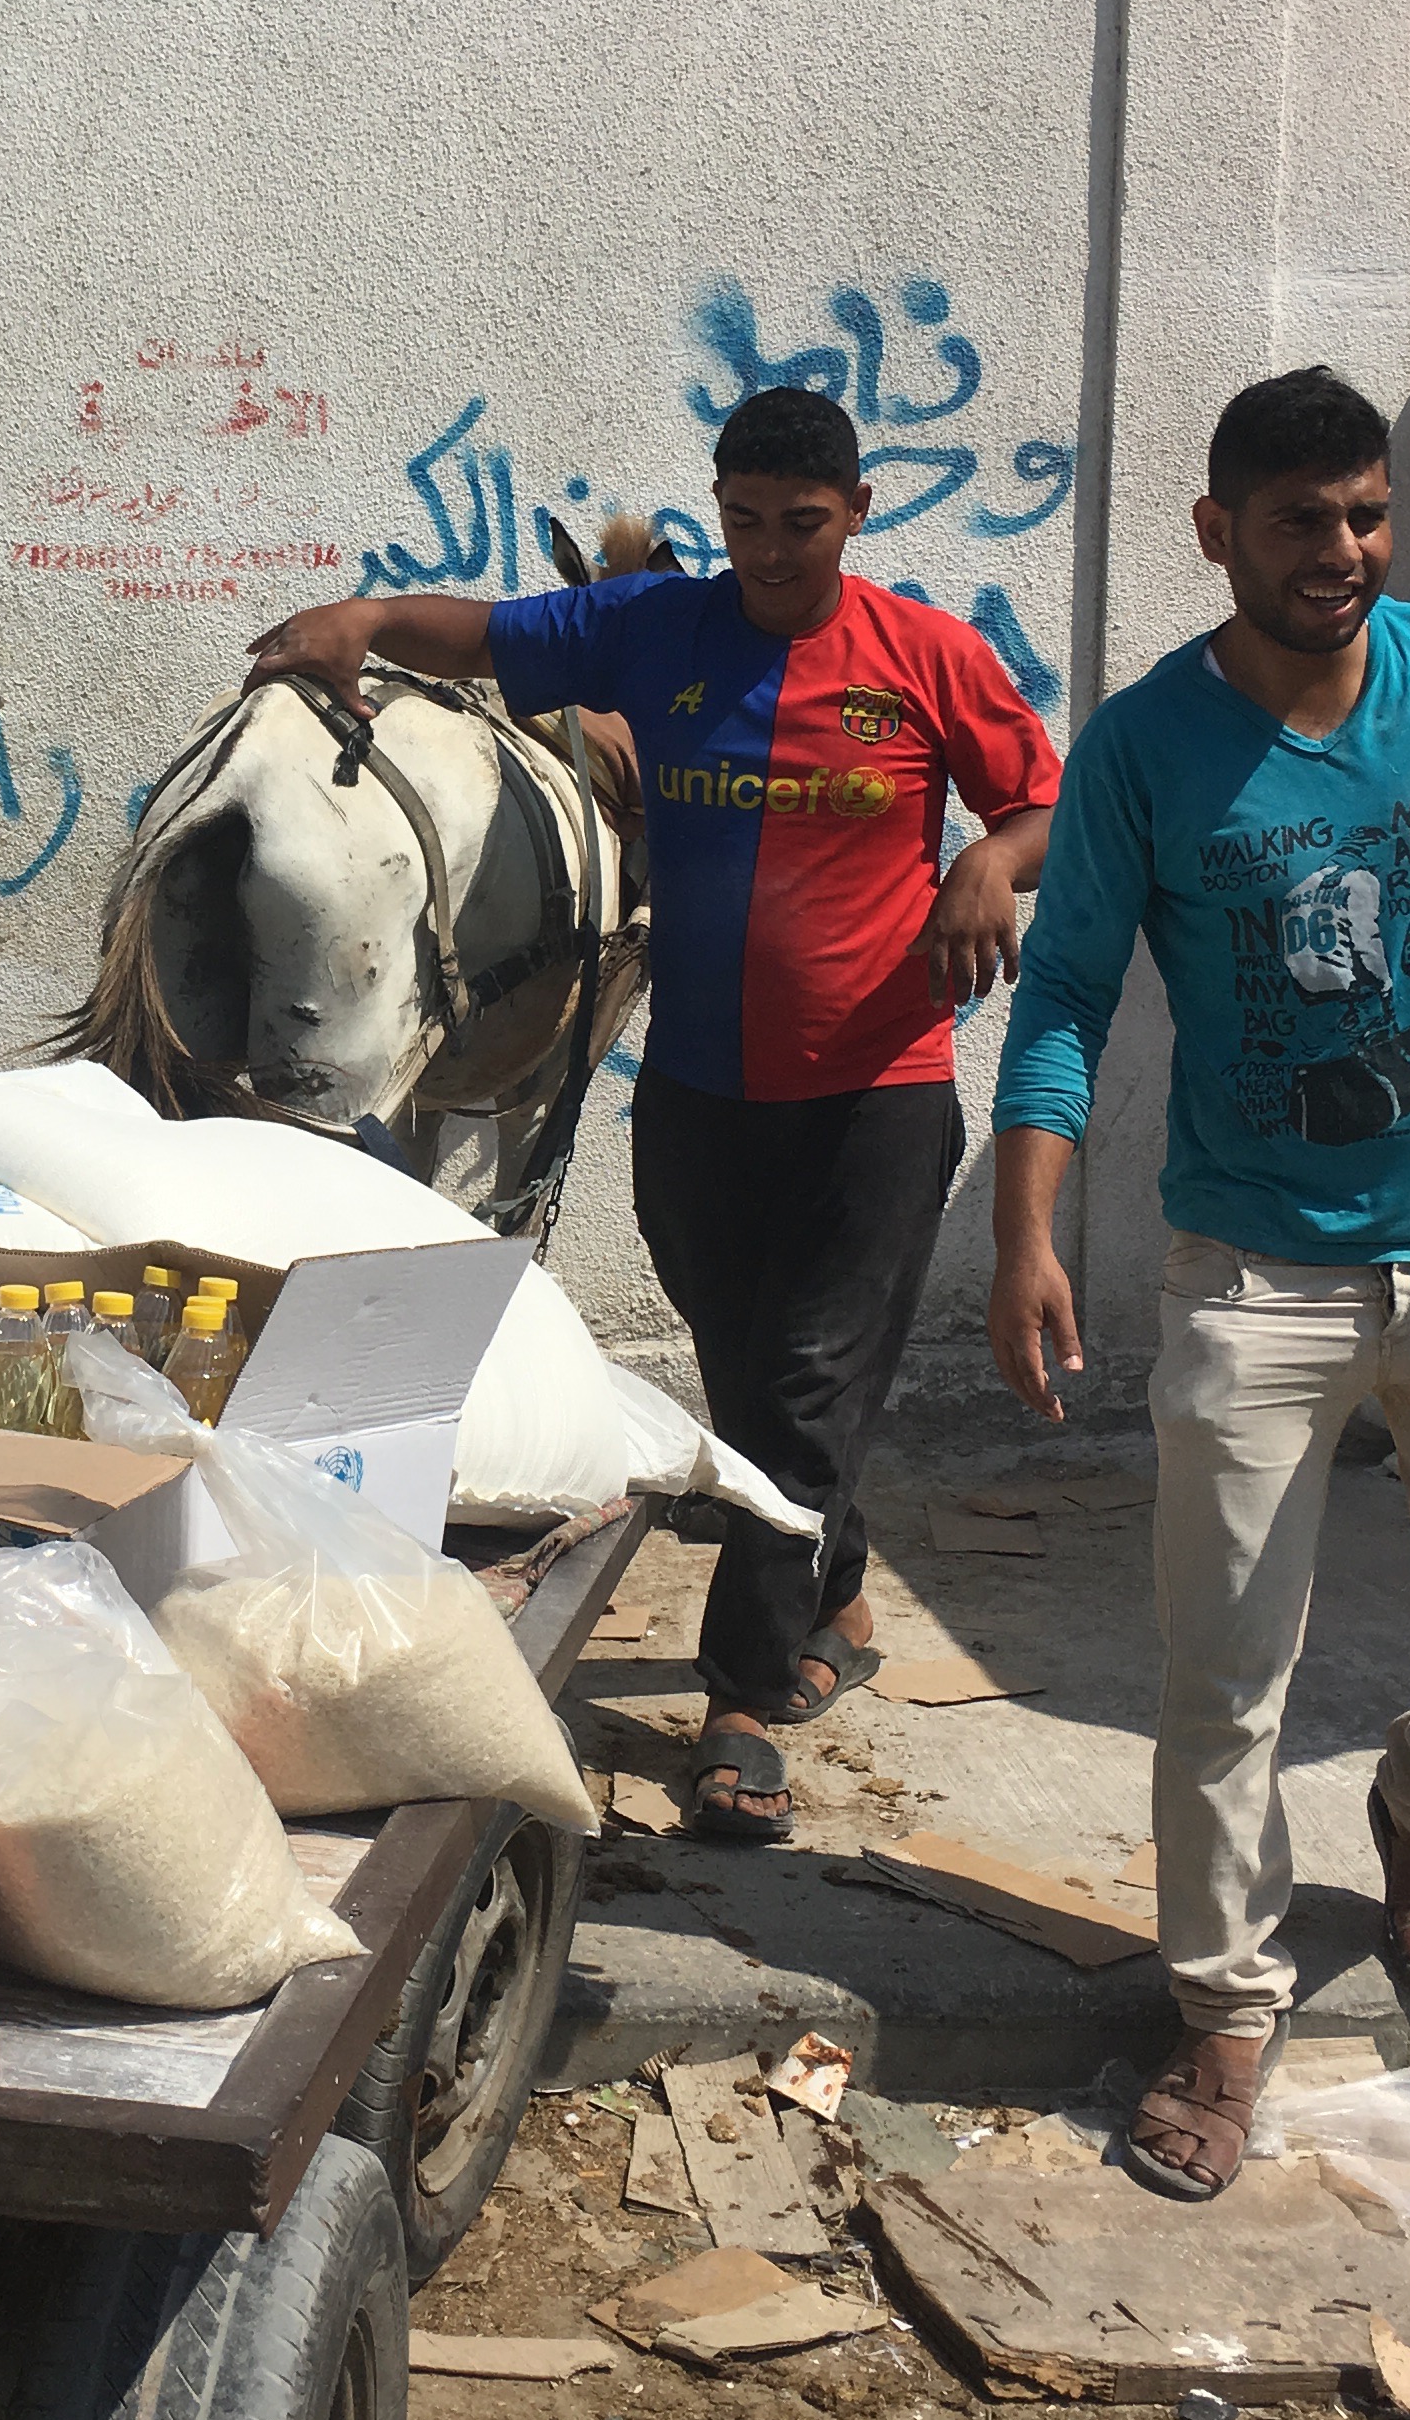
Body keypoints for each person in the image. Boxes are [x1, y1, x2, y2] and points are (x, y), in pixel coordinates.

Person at [987, 365, 1410, 2202]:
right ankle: (1226, 2008)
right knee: (1221, 1678)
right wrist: (1029, 1226)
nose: (1344, 552)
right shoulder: (1141, 749)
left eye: (1366, 513)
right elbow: (1065, 1000)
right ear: (1217, 536)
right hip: (1254, 1275)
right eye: (1301, 523)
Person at [244, 385, 1060, 1837]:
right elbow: (490, 634)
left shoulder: (926, 658)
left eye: (800, 527)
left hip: (879, 1094)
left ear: (858, 514)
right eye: (743, 523)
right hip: (698, 1094)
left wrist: (994, 862)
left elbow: (1051, 807)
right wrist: (360, 619)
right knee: (755, 1378)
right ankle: (842, 1592)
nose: (768, 553)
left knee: (806, 1388)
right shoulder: (657, 627)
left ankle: (742, 1704)